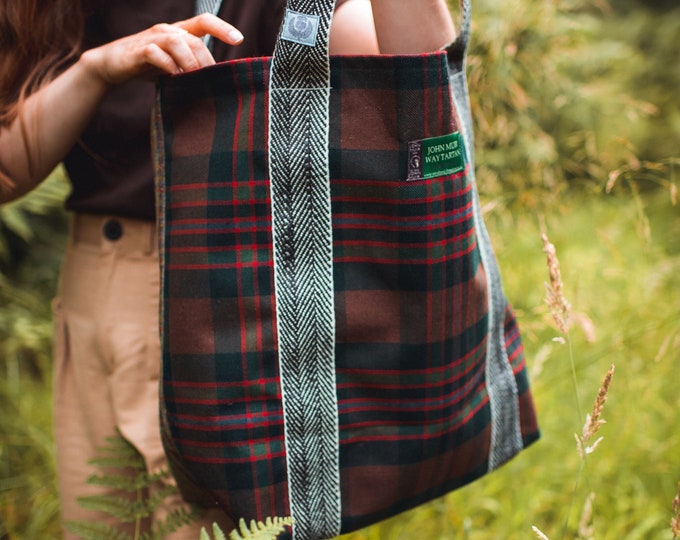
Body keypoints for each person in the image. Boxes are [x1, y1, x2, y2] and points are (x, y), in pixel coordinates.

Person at [0, 1, 455, 537]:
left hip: (223, 297)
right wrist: (95, 69)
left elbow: (419, 84)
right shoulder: (47, 8)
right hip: (91, 295)